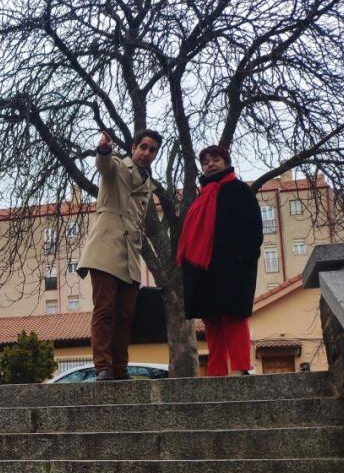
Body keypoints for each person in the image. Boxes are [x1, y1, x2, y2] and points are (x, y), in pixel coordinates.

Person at [78, 128, 162, 380]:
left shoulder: (148, 184)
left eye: (152, 150)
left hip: (130, 255)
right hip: (105, 248)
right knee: (105, 309)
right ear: (134, 148)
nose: (147, 153)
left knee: (126, 315)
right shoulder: (117, 167)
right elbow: (104, 165)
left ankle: (120, 369)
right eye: (143, 147)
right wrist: (104, 149)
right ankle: (103, 366)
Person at [177, 144, 263, 376]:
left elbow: (253, 231)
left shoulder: (240, 191)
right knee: (212, 322)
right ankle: (216, 373)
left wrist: (242, 259)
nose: (210, 165)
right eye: (205, 162)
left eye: (215, 159)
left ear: (226, 162)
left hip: (233, 268)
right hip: (205, 271)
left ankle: (242, 367)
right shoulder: (201, 198)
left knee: (233, 317)